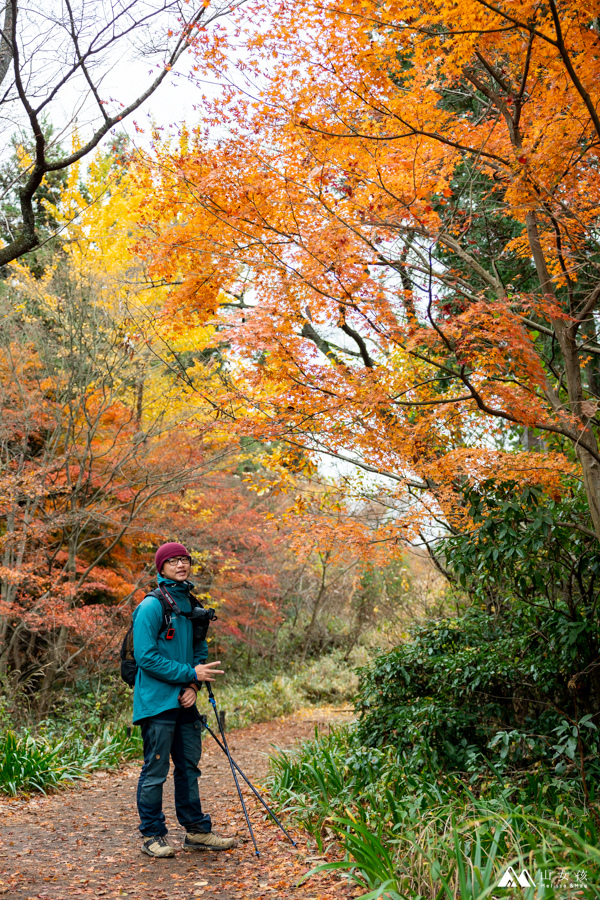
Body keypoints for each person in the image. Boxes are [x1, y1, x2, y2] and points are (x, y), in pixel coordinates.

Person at [132, 541, 236, 858]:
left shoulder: (191, 605)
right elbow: (145, 657)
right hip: (156, 702)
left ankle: (197, 832)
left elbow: (199, 651)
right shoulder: (151, 607)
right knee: (156, 770)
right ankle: (152, 836)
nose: (181, 565)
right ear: (161, 567)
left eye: (185, 560)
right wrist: (188, 672)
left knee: (189, 769)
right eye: (173, 560)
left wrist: (193, 684)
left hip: (185, 702)